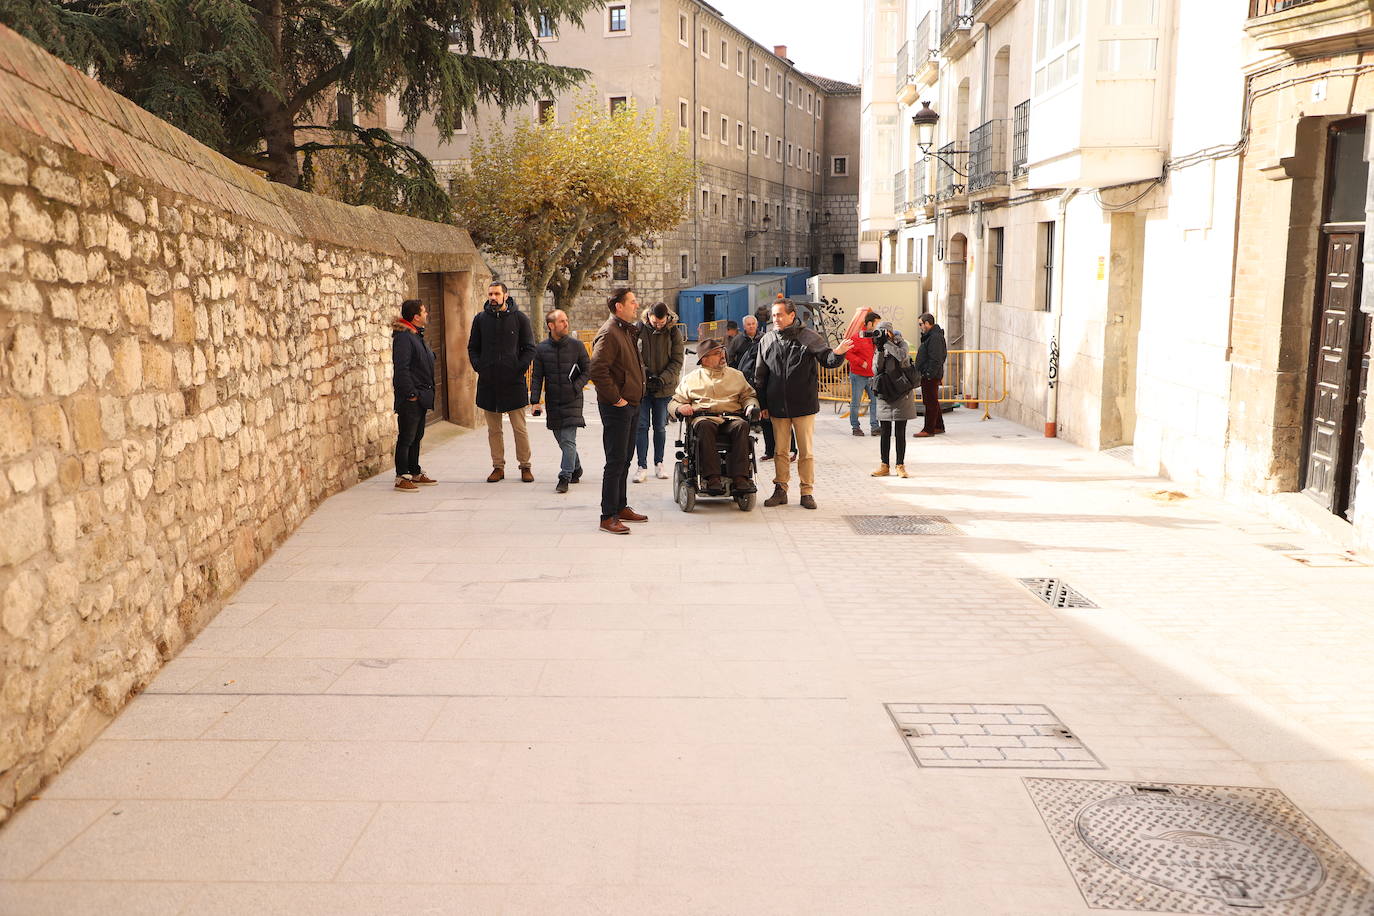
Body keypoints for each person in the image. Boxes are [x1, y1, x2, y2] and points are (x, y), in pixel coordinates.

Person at [753, 298, 853, 510]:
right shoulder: (767, 340)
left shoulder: (809, 337)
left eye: (780, 314)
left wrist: (839, 352)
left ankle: (807, 492)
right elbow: (760, 376)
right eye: (773, 315)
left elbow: (828, 360)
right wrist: (762, 404)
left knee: (805, 452)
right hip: (777, 406)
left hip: (803, 405)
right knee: (780, 451)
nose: (776, 319)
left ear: (791, 315)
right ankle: (780, 489)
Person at [590, 288, 649, 534]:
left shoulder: (626, 329)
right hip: (618, 408)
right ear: (619, 307)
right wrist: (617, 400)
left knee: (625, 459)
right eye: (632, 302)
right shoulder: (609, 333)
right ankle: (608, 515)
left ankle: (621, 506)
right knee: (615, 461)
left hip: (633, 405)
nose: (637, 305)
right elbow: (597, 370)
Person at [668, 338, 760, 495]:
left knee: (742, 426)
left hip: (732, 417)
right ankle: (712, 478)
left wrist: (751, 405)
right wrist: (680, 408)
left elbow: (748, 395)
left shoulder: (736, 375)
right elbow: (674, 402)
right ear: (704, 359)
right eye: (717, 353)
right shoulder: (691, 378)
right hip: (704, 418)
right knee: (705, 426)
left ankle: (740, 478)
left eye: (722, 352)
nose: (722, 356)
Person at [468, 282, 536, 482]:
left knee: (519, 428)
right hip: (488, 383)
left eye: (497, 293)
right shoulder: (480, 319)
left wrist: (518, 368)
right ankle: (498, 467)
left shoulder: (520, 318)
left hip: (513, 382)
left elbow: (530, 348)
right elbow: (472, 347)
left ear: (505, 295)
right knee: (494, 430)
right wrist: (480, 366)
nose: (493, 297)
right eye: (490, 294)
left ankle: (525, 466)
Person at [529, 308, 590, 494]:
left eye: (566, 320)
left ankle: (564, 476)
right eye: (562, 321)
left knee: (568, 439)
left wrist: (575, 387)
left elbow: (588, 370)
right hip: (553, 401)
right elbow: (537, 377)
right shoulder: (541, 349)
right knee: (563, 441)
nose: (566, 324)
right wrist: (535, 401)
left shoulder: (577, 346)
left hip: (573, 399)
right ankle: (576, 468)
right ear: (551, 325)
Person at [634, 302, 685, 483]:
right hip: (642, 387)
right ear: (649, 317)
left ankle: (659, 463)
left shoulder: (674, 332)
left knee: (660, 427)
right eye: (655, 323)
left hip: (664, 388)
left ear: (667, 319)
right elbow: (633, 356)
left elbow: (677, 361)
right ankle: (641, 465)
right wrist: (646, 374)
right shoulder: (637, 329)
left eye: (661, 323)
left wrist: (662, 378)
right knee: (641, 427)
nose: (658, 326)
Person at [391, 299, 438, 493]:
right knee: (407, 437)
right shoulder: (404, 337)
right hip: (411, 397)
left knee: (417, 436)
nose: (427, 314)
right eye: (424, 312)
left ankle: (414, 471)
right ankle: (402, 476)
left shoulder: (416, 334)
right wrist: (411, 394)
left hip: (421, 395)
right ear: (416, 316)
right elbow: (402, 369)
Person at [869, 321, 917, 478]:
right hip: (885, 393)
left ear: (889, 333)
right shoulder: (879, 346)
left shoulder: (901, 343)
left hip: (901, 393)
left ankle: (900, 465)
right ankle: (884, 465)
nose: (880, 335)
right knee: (885, 432)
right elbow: (876, 369)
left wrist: (888, 344)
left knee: (900, 432)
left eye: (883, 332)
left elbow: (903, 358)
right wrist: (880, 350)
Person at [843, 310, 882, 437]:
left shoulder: (874, 337)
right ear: (870, 323)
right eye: (876, 324)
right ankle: (855, 427)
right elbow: (848, 353)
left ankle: (875, 427)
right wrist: (861, 362)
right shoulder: (857, 337)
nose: (877, 327)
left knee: (875, 401)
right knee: (856, 402)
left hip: (872, 375)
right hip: (858, 375)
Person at [914, 312, 948, 438]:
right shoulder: (932, 336)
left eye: (921, 324)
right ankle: (938, 426)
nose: (920, 327)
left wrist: (928, 373)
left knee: (930, 402)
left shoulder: (935, 337)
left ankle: (929, 429)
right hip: (929, 374)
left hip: (931, 375)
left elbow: (936, 359)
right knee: (932, 400)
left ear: (927, 323)